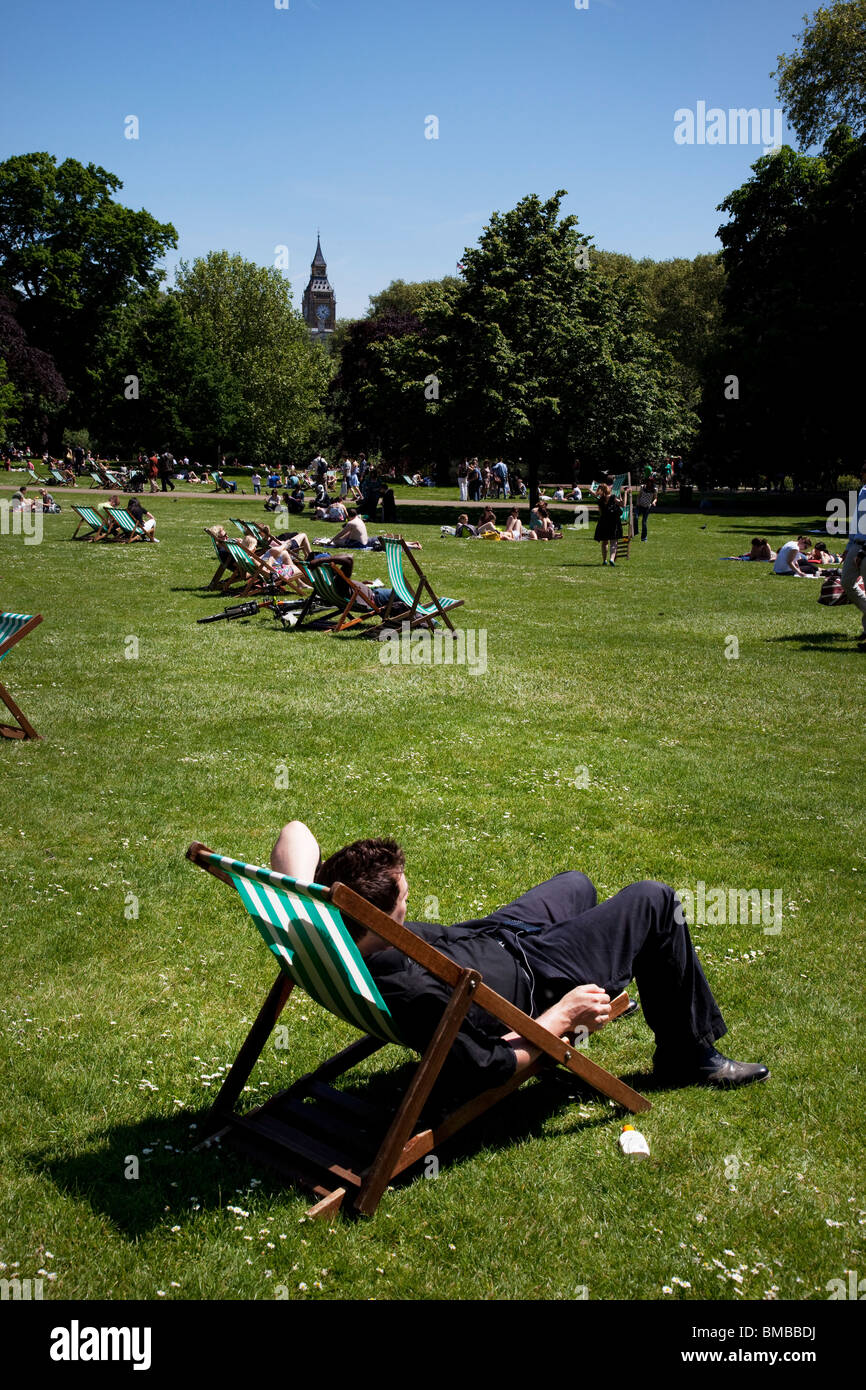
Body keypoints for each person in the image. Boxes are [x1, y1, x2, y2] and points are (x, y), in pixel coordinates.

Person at [270, 821, 770, 1101]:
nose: (409, 902)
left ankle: (605, 966)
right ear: (379, 919)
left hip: (496, 938)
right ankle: (686, 1055)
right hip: (535, 979)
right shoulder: (412, 992)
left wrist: (311, 895)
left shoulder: (321, 932)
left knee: (577, 884)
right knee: (654, 900)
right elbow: (489, 1064)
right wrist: (562, 1017)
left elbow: (295, 832)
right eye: (403, 902)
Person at [840, 462, 866, 646]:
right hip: (856, 543)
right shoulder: (863, 490)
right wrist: (850, 545)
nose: (862, 474)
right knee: (846, 582)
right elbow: (857, 519)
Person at [593, 483, 622, 564]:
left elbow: (600, 512)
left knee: (604, 542)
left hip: (603, 521)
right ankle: (612, 559)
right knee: (614, 541)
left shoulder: (600, 499)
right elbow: (621, 504)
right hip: (613, 521)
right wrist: (625, 494)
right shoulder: (612, 497)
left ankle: (604, 560)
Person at [633, 476, 658, 542]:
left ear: (652, 482)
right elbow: (639, 496)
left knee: (644, 522)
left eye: (650, 482)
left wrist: (653, 502)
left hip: (647, 508)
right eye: (648, 481)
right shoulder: (642, 487)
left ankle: (644, 538)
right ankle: (635, 531)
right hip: (639, 506)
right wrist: (637, 503)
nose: (649, 483)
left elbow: (655, 498)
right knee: (635, 518)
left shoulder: (654, 489)